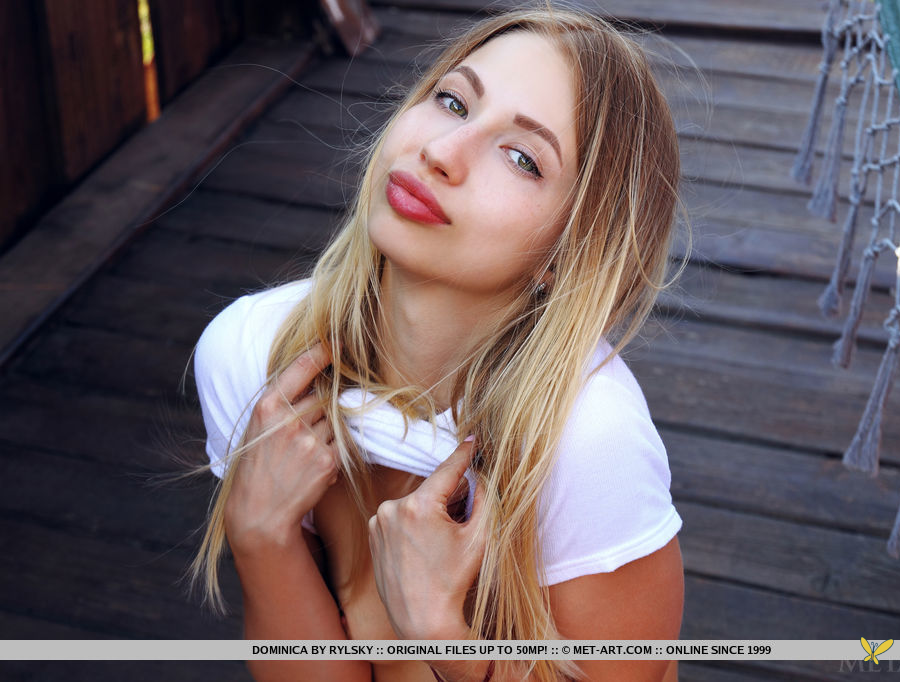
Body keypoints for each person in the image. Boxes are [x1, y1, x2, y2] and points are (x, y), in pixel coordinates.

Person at [190, 5, 689, 681]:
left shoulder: (587, 443)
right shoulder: (254, 352)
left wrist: (444, 638)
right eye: (452, 102)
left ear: (568, 253)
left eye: (522, 158)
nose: (442, 153)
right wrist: (261, 537)